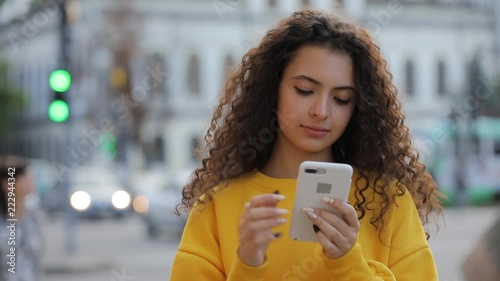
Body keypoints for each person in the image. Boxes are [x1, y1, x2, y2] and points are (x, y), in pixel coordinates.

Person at [170, 9, 443, 280]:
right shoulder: (217, 206)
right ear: (272, 88)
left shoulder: (388, 203)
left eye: (341, 99)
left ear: (357, 107)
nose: (321, 111)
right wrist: (248, 266)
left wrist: (348, 264)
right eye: (304, 90)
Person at [0, 156, 44, 281]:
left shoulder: (34, 217)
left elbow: (36, 263)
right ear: (8, 184)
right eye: (26, 177)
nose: (32, 181)